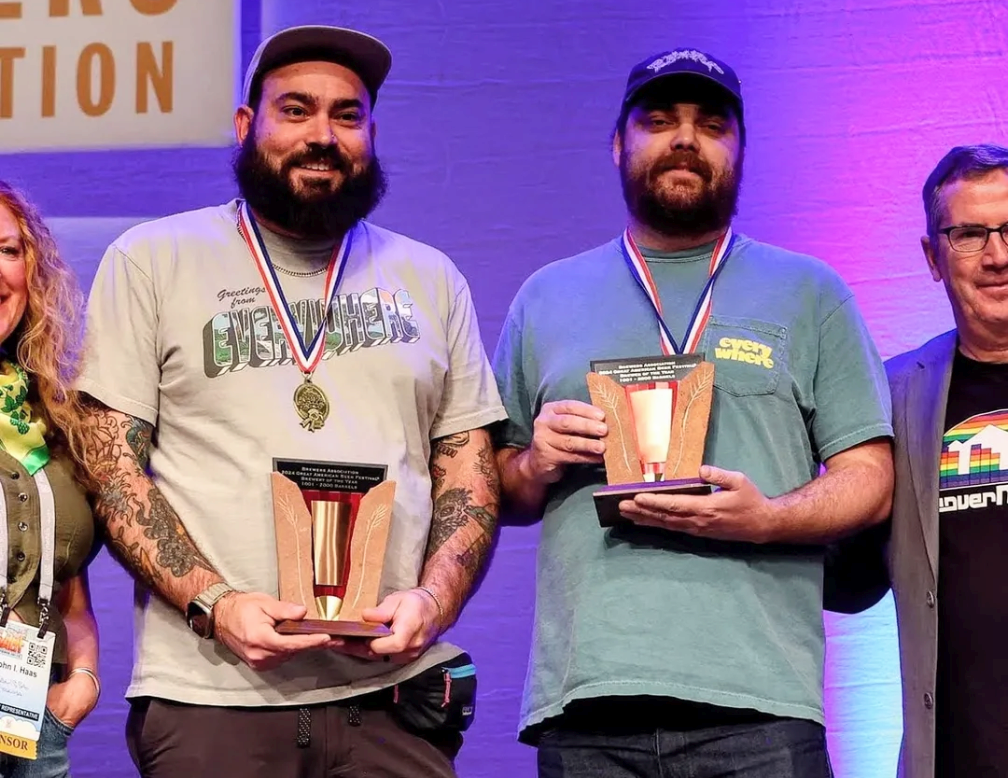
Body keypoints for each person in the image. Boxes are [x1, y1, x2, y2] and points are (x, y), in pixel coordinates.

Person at [76, 25, 505, 778]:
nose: (323, 136)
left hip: (391, 704)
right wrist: (217, 603)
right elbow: (112, 469)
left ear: (372, 134)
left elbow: (468, 470)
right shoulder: (151, 260)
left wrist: (433, 603)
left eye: (348, 115)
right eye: (296, 110)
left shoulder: (432, 278)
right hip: (213, 701)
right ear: (247, 125)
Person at [492, 48, 894, 777]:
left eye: (712, 124)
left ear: (740, 150)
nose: (685, 138)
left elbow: (871, 477)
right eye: (659, 120)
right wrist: (534, 461)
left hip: (762, 707)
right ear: (617, 145)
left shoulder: (810, 291)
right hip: (587, 705)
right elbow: (497, 490)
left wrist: (767, 518)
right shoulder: (545, 296)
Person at [835, 144, 1008, 778]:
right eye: (969, 235)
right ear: (933, 258)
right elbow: (849, 581)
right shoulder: (893, 398)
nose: (997, 255)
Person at [0, 181, 101, 778]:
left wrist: (83, 676)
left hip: (31, 725)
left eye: (8, 250)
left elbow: (68, 586)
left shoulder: (52, 415)